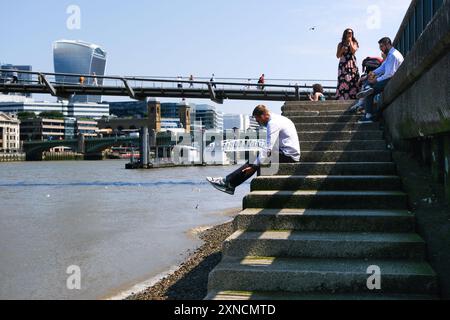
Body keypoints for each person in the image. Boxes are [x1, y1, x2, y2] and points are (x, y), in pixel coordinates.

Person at [206, 105, 301, 195]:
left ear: (263, 115)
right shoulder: (278, 119)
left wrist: (254, 166)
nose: (258, 122)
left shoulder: (273, 123)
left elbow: (268, 147)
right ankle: (229, 183)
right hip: (289, 153)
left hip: (289, 155)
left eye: (258, 119)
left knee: (255, 159)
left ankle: (228, 183)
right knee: (257, 158)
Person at [357, 37, 404, 123]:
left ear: (387, 44)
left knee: (370, 90)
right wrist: (368, 75)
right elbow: (382, 68)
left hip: (391, 80)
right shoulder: (391, 54)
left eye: (382, 46)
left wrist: (376, 80)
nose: (381, 49)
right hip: (389, 79)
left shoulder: (393, 55)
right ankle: (367, 88)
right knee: (368, 83)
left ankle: (368, 116)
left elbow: (389, 74)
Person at [335, 28, 360, 100]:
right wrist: (342, 50)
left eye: (351, 33)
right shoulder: (340, 44)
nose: (350, 34)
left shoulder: (354, 43)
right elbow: (337, 56)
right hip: (343, 64)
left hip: (351, 64)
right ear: (345, 34)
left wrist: (350, 42)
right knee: (343, 80)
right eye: (348, 33)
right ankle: (342, 98)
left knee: (352, 80)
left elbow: (353, 51)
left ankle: (353, 97)